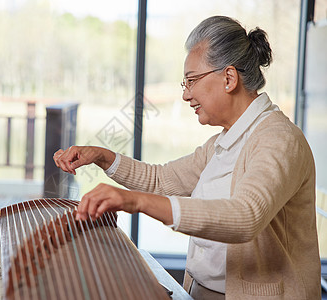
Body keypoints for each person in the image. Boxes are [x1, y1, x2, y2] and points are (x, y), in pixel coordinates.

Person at [53, 16, 321, 300]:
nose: (185, 95)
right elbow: (161, 180)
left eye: (192, 81)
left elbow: (245, 216)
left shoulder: (278, 138)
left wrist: (134, 201)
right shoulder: (224, 141)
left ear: (229, 78)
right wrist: (102, 157)